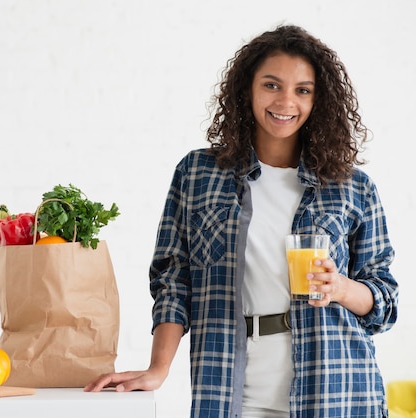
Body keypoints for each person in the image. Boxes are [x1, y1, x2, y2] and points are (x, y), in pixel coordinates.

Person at [84, 25, 399, 417]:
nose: (286, 101)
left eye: (303, 89)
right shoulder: (198, 173)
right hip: (231, 392)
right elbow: (173, 278)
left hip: (337, 392)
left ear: (319, 99)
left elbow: (385, 300)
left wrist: (341, 288)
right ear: (247, 89)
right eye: (271, 85)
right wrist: (158, 369)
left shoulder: (352, 186)